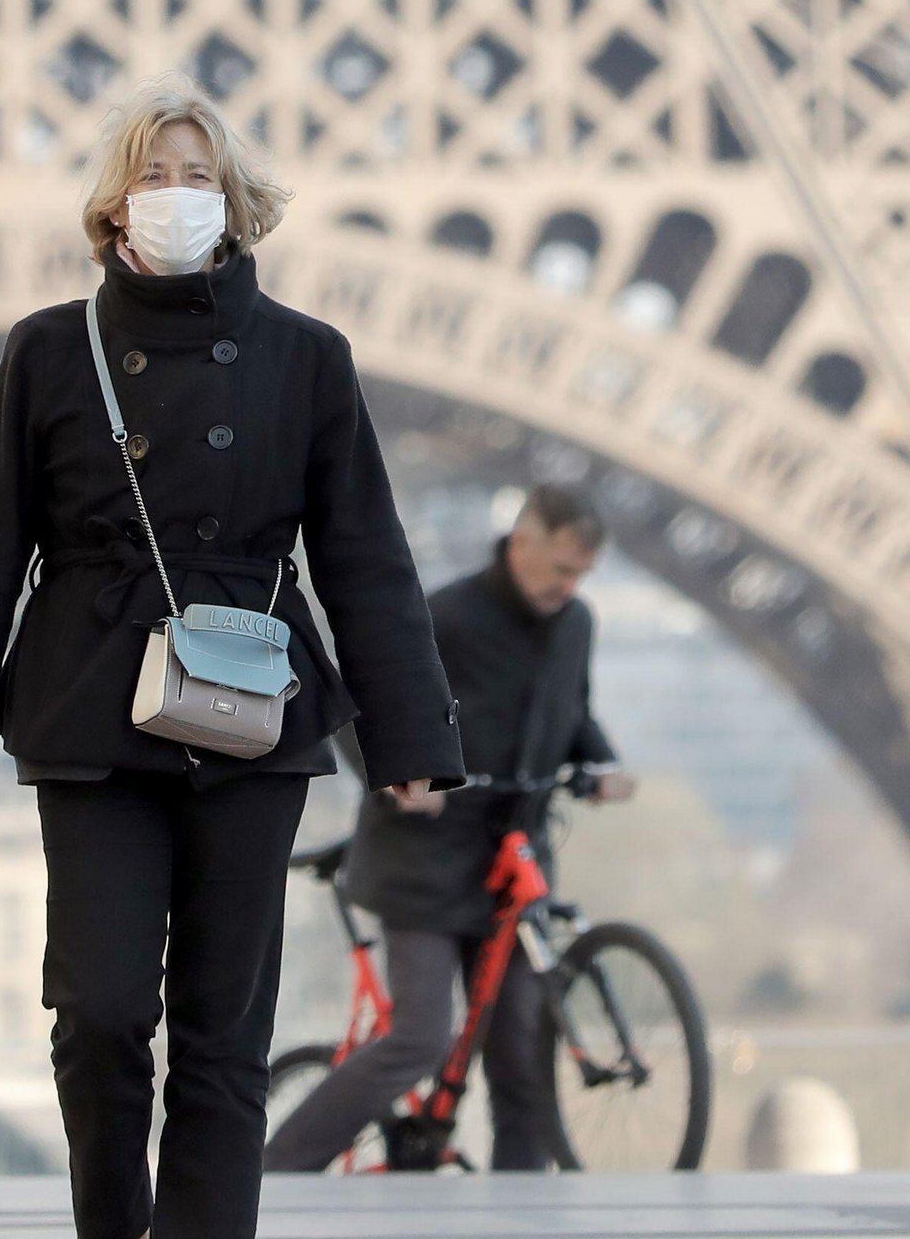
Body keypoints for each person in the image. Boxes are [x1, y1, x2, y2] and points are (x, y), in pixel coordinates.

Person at [0, 77, 461, 1239]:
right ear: (114, 202)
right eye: (152, 170)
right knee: (98, 1009)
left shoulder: (309, 357)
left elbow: (362, 553)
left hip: (249, 707)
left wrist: (408, 738)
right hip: (92, 705)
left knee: (222, 1026)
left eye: (195, 169)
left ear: (235, 197)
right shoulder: (48, 349)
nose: (174, 190)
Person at [262, 486, 632, 1174]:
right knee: (421, 1037)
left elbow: (572, 713)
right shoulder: (448, 617)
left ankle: (526, 1206)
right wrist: (400, 778)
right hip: (424, 859)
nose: (567, 586)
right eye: (558, 568)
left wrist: (603, 764)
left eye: (580, 574)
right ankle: (277, 1169)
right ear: (521, 541)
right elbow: (360, 705)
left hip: (515, 855)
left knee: (522, 1044)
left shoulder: (577, 623)